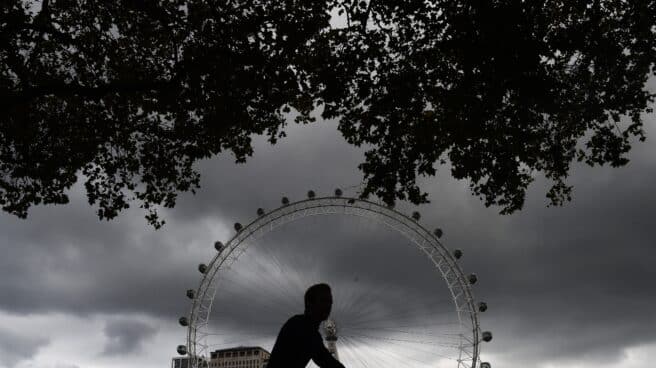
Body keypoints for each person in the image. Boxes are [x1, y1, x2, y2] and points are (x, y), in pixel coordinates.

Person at [266, 283, 347, 368]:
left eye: (330, 302)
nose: (328, 305)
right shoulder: (302, 328)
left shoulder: (299, 324)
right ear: (309, 303)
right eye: (323, 300)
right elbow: (326, 360)